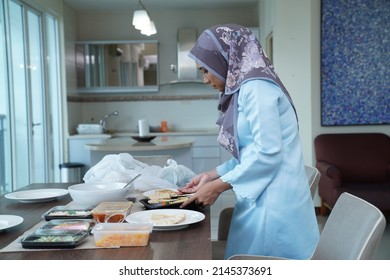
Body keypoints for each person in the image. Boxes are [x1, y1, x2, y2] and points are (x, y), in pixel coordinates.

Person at [179, 23, 320, 260]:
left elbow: (267, 153)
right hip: (263, 196)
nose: (204, 80)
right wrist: (212, 175)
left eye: (205, 70)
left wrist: (218, 186)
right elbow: (251, 151)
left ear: (223, 59)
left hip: (273, 205)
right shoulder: (245, 88)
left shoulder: (256, 88)